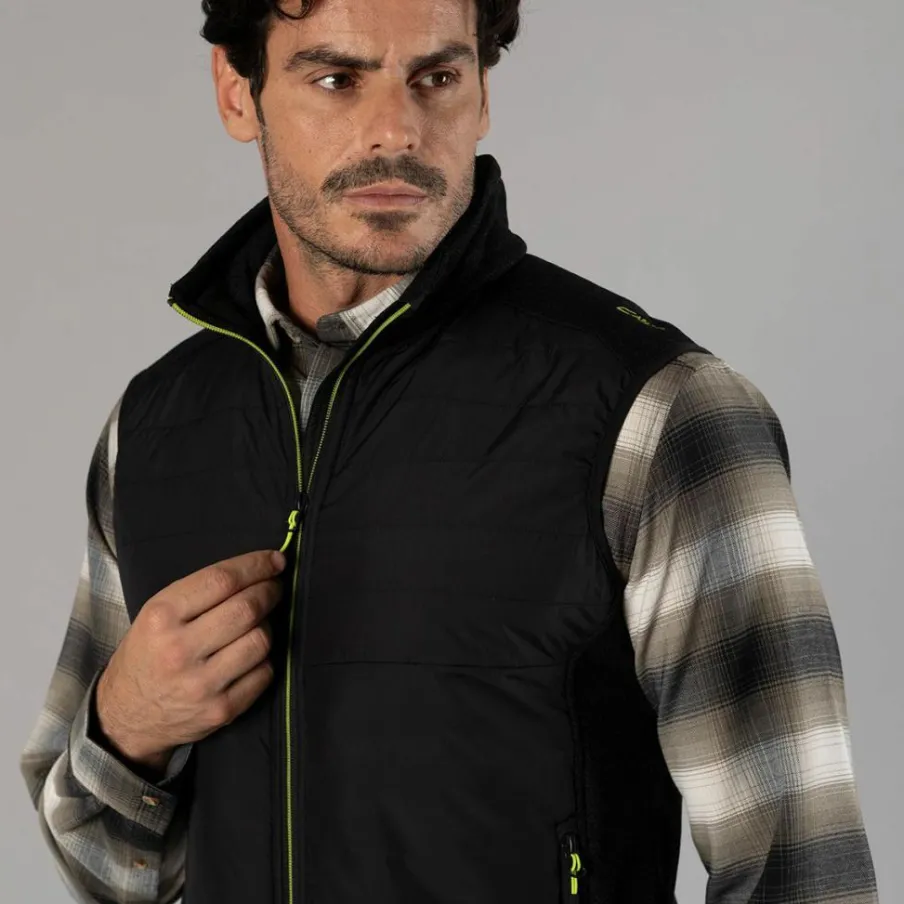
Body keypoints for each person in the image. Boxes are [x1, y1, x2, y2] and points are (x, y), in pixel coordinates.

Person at [20, 1, 880, 903]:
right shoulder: (154, 430)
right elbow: (114, 875)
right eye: (336, 79)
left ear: (482, 95)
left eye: (436, 77)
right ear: (239, 93)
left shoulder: (658, 412)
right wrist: (126, 728)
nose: (396, 129)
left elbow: (804, 872)